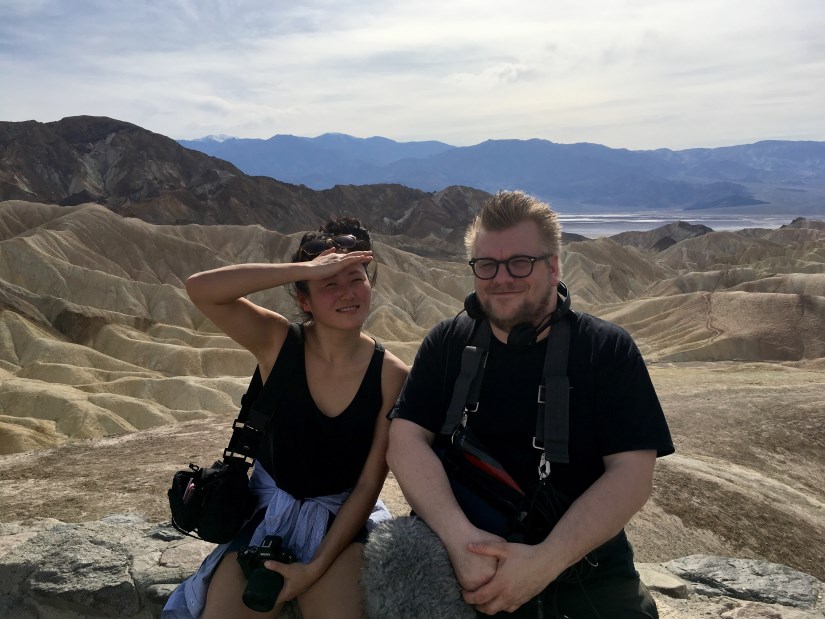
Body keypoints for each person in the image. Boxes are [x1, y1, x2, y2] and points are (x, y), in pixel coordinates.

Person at [386, 191, 674, 618]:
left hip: (583, 571)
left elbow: (632, 475)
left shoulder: (605, 350)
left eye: (521, 262)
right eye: (487, 265)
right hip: (464, 562)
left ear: (553, 265)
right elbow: (405, 439)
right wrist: (460, 541)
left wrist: (545, 562)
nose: (501, 277)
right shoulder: (447, 343)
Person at [163, 217, 408, 619]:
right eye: (329, 283)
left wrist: (312, 569)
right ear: (304, 299)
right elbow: (201, 288)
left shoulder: (391, 377)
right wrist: (305, 270)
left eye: (356, 278)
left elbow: (367, 485)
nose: (347, 292)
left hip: (340, 525)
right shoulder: (278, 344)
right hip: (267, 515)